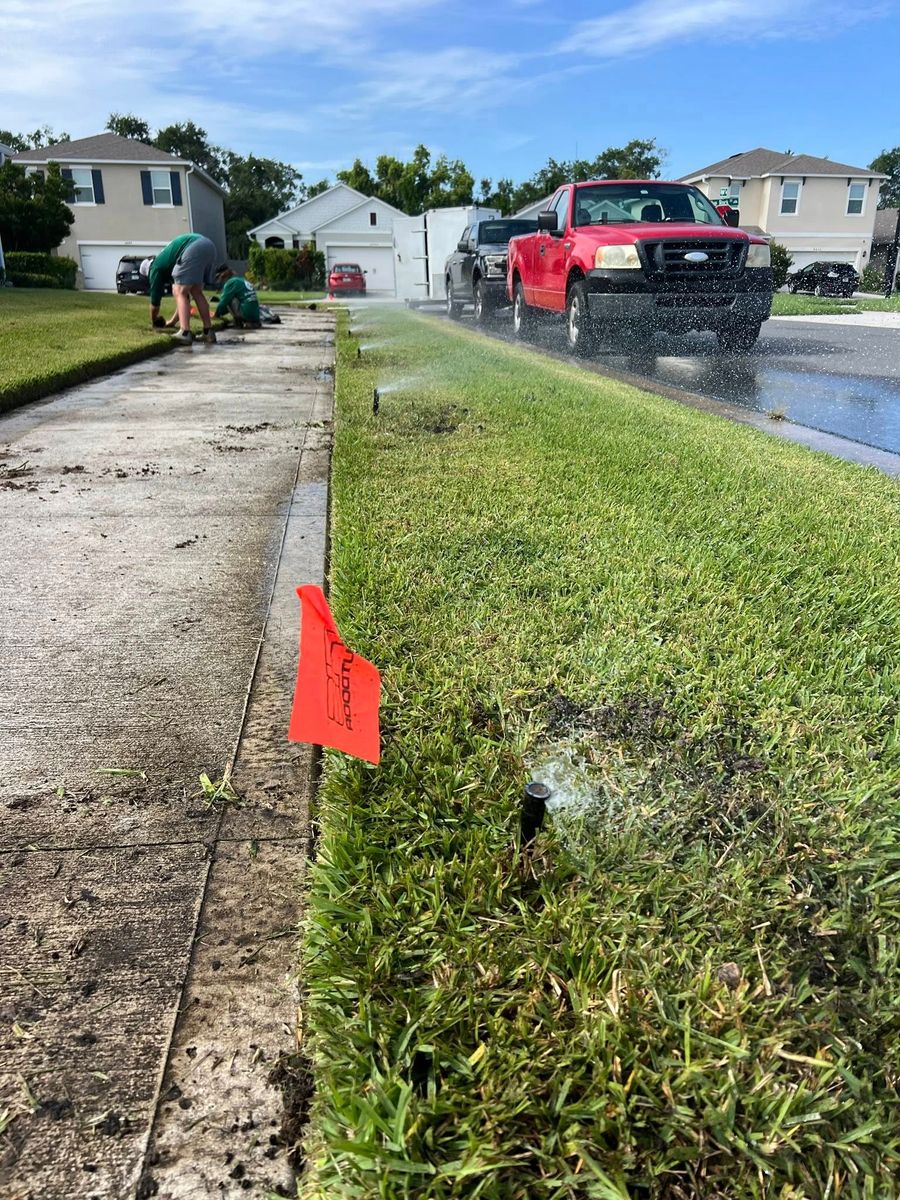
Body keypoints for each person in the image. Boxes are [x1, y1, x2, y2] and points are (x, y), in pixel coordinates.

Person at [144, 233, 218, 345]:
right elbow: (186, 300)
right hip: (208, 246)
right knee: (196, 292)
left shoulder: (155, 267)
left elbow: (155, 303)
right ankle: (208, 332)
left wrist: (154, 320)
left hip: (194, 248)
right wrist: (172, 322)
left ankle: (184, 333)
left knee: (179, 291)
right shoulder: (166, 261)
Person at [212, 265, 262, 329]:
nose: (218, 280)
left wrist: (216, 315)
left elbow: (224, 302)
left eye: (218, 277)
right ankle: (252, 322)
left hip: (246, 313)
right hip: (255, 315)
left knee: (229, 298)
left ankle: (238, 322)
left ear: (223, 274)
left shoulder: (230, 282)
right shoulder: (241, 280)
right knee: (232, 297)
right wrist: (222, 312)